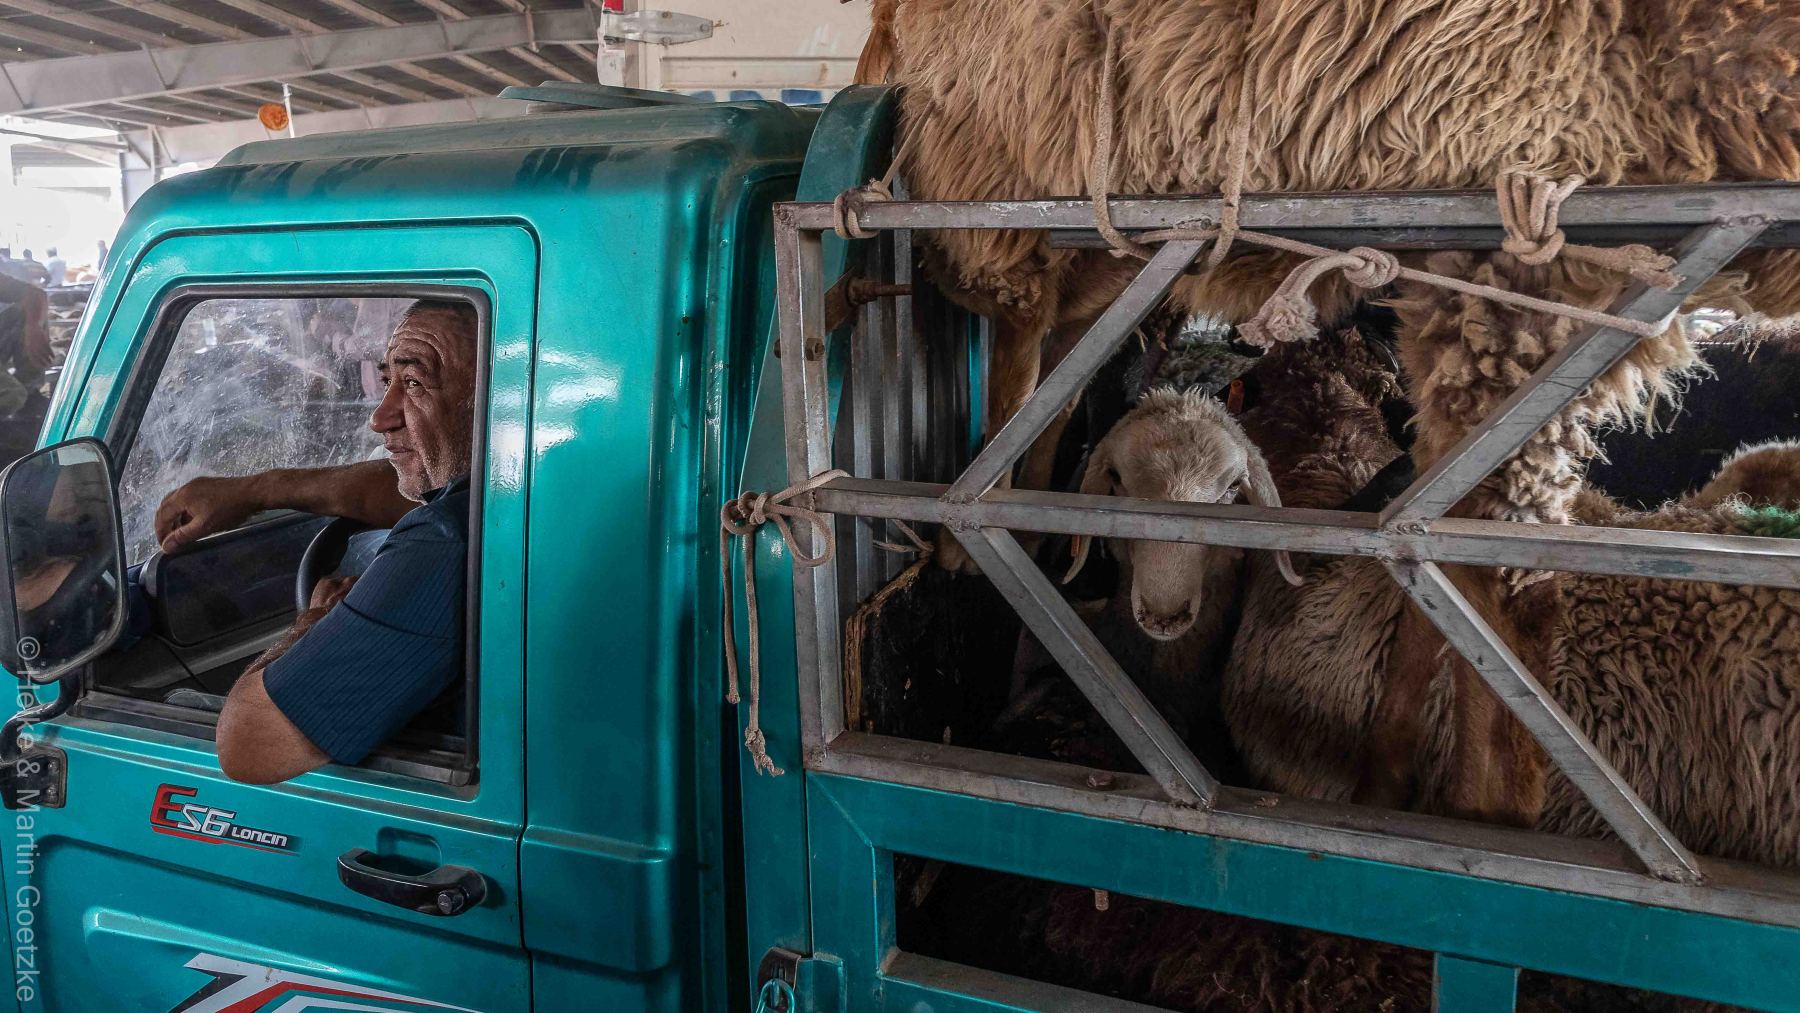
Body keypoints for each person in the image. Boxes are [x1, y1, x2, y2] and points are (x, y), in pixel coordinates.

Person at [153, 300, 478, 783]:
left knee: (175, 706)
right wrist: (256, 491)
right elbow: (411, 488)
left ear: (496, 398)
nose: (379, 418)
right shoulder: (511, 499)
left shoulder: (444, 544)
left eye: (414, 383)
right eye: (387, 381)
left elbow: (250, 747)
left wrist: (315, 622)